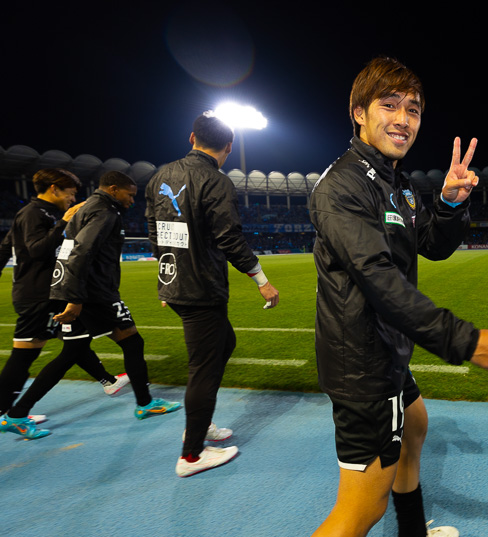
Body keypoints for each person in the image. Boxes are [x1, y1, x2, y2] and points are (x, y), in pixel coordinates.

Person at [290, 56, 488, 537]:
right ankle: (404, 535)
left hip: (383, 349)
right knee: (358, 512)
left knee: (415, 423)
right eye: (389, 105)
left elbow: (432, 246)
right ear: (358, 112)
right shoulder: (343, 186)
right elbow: (378, 280)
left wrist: (449, 203)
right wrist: (463, 340)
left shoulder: (394, 182)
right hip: (364, 364)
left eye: (413, 109)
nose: (403, 119)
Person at [145, 112, 280, 477]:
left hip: (177, 282)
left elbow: (155, 231)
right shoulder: (216, 181)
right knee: (203, 368)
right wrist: (261, 279)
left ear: (192, 138)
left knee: (224, 344)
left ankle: (200, 423)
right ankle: (191, 455)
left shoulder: (160, 176)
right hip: (200, 288)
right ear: (229, 147)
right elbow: (229, 239)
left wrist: (167, 279)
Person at [10, 172, 183, 436]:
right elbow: (81, 251)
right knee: (131, 342)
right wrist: (75, 298)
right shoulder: (104, 211)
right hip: (94, 293)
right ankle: (145, 404)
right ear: (113, 189)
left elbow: (68, 249)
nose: (132, 200)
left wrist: (68, 292)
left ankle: (17, 414)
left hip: (81, 290)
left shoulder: (86, 208)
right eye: (129, 194)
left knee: (73, 352)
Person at [0, 169, 127, 440]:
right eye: (70, 193)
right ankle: (9, 414)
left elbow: (5, 246)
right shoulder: (35, 213)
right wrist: (64, 223)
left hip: (43, 292)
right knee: (26, 356)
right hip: (38, 295)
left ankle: (108, 381)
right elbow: (37, 250)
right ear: (54, 188)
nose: (72, 199)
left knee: (75, 343)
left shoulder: (36, 213)